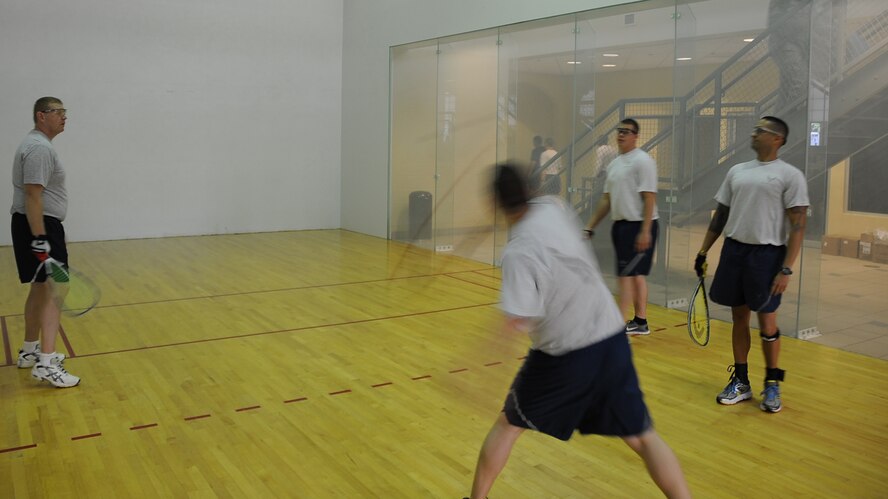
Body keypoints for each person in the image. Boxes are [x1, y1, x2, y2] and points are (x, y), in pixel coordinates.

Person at [465, 164, 690, 499]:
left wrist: (477, 366)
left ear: (493, 202)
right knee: (641, 436)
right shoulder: (554, 208)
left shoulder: (518, 253)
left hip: (565, 357)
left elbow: (518, 320)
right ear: (530, 189)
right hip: (611, 339)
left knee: (509, 425)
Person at [694, 116, 808, 413]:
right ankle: (741, 381)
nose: (754, 133)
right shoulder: (736, 171)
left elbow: (798, 226)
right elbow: (720, 216)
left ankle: (772, 384)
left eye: (760, 130)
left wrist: (786, 268)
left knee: (767, 322)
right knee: (739, 318)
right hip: (735, 252)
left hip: (767, 257)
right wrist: (704, 250)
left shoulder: (790, 175)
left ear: (777, 139)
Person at [10, 96, 80, 388]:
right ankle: (47, 362)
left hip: (36, 227)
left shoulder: (37, 145)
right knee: (57, 286)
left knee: (40, 287)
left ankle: (30, 351)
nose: (64, 117)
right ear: (42, 115)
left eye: (65, 112)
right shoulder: (39, 148)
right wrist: (41, 239)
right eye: (59, 112)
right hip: (41, 228)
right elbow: (33, 196)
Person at [584, 119, 659, 335]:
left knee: (626, 276)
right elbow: (606, 200)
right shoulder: (615, 164)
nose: (621, 135)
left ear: (636, 136)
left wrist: (645, 231)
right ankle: (640, 322)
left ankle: (618, 324)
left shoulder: (643, 161)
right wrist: (589, 226)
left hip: (640, 226)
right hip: (621, 226)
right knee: (634, 275)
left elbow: (649, 198)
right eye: (619, 131)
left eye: (626, 132)